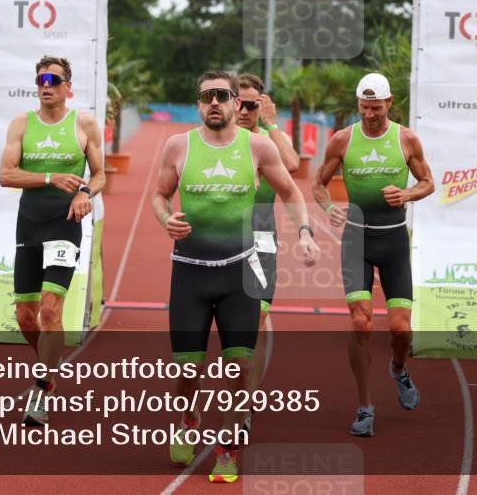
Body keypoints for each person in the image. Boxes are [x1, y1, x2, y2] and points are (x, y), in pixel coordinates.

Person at [153, 70, 320, 483]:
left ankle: (227, 449)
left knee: (237, 367)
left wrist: (304, 233)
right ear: (198, 103)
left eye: (223, 96)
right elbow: (159, 195)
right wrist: (166, 219)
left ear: (235, 103)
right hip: (189, 273)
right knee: (187, 371)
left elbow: (292, 192)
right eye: (207, 95)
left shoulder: (258, 147)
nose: (215, 102)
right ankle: (188, 418)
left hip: (240, 273)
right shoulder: (178, 146)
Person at [311, 72, 435, 438]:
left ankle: (398, 368)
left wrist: (408, 195)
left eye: (376, 109)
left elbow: (428, 182)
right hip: (357, 240)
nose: (369, 115)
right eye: (364, 108)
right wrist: (329, 208)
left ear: (389, 104)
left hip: (393, 239)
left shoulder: (406, 138)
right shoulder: (343, 140)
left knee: (400, 327)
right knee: (361, 323)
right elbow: (318, 184)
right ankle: (365, 406)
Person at [0, 56, 105, 426]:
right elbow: (5, 175)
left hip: (65, 224)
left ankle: (40, 390)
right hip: (29, 224)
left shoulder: (84, 124)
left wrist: (85, 192)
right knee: (26, 317)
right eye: (41, 79)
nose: (46, 85)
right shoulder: (21, 124)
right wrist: (48, 178)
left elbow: (101, 174)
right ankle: (49, 366)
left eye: (54, 79)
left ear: (67, 86)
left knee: (50, 311)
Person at [234, 74, 301, 395]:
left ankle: (244, 402)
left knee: (254, 325)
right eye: (240, 104)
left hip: (261, 243)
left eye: (253, 105)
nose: (245, 111)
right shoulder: (219, 139)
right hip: (222, 243)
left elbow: (292, 164)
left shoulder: (268, 139)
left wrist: (272, 124)